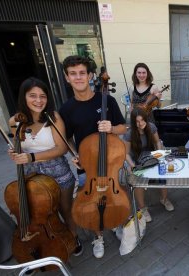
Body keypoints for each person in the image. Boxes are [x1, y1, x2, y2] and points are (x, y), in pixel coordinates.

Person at [59, 55, 127, 259]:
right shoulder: (67, 109)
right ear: (66, 77)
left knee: (113, 198)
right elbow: (67, 139)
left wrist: (112, 128)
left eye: (82, 73)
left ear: (90, 75)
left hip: (111, 163)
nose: (78, 77)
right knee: (92, 203)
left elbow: (123, 127)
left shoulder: (107, 100)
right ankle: (98, 236)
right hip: (86, 167)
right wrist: (74, 153)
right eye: (73, 74)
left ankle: (114, 224)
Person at [7, 77, 81, 256]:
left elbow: (61, 148)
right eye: (33, 95)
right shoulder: (15, 121)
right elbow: (17, 145)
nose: (38, 100)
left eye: (43, 96)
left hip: (57, 171)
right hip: (31, 174)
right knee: (37, 212)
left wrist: (31, 156)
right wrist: (13, 152)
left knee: (65, 209)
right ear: (23, 97)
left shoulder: (53, 117)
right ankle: (44, 241)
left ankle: (73, 237)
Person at [123, 108, 174, 222]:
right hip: (135, 160)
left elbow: (157, 142)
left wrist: (159, 155)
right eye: (137, 121)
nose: (140, 124)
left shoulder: (151, 127)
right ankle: (142, 208)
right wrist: (132, 166)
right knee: (138, 181)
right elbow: (125, 154)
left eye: (142, 120)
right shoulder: (129, 133)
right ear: (133, 122)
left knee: (162, 173)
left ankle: (164, 199)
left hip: (151, 156)